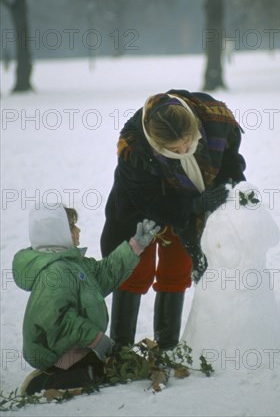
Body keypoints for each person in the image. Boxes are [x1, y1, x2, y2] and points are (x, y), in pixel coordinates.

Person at [100, 89, 246, 351]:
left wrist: (227, 186)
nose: (183, 150)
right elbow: (147, 201)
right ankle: (120, 348)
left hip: (188, 209)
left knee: (176, 269)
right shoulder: (134, 147)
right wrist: (195, 204)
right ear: (156, 143)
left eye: (188, 143)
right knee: (135, 271)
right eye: (174, 150)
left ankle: (166, 346)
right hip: (140, 210)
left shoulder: (216, 120)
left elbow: (230, 161)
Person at [13, 203, 159, 395]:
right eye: (72, 227)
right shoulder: (55, 274)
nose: (78, 230)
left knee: (113, 367)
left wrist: (135, 246)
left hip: (71, 345)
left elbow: (102, 275)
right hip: (52, 349)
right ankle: (47, 379)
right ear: (57, 232)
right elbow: (59, 321)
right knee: (102, 372)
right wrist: (97, 340)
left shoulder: (69, 263)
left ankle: (75, 368)